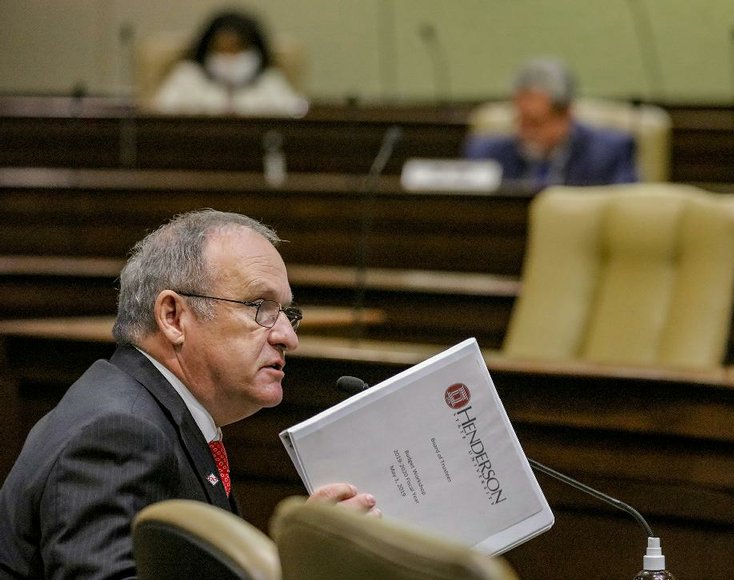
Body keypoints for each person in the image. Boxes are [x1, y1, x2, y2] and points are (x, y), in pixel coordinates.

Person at [0, 209, 378, 578]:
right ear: (173, 317)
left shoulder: (148, 410)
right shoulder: (119, 433)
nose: (288, 338)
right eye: (260, 307)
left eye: (287, 314)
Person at [464, 57, 638, 188]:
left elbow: (629, 214)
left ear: (566, 114)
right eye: (521, 120)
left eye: (535, 122)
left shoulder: (610, 154)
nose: (525, 132)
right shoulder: (487, 154)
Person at [151, 9, 308, 116]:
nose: (230, 57)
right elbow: (159, 118)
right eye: (222, 49)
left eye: (237, 49)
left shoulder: (269, 80)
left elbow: (295, 117)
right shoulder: (186, 77)